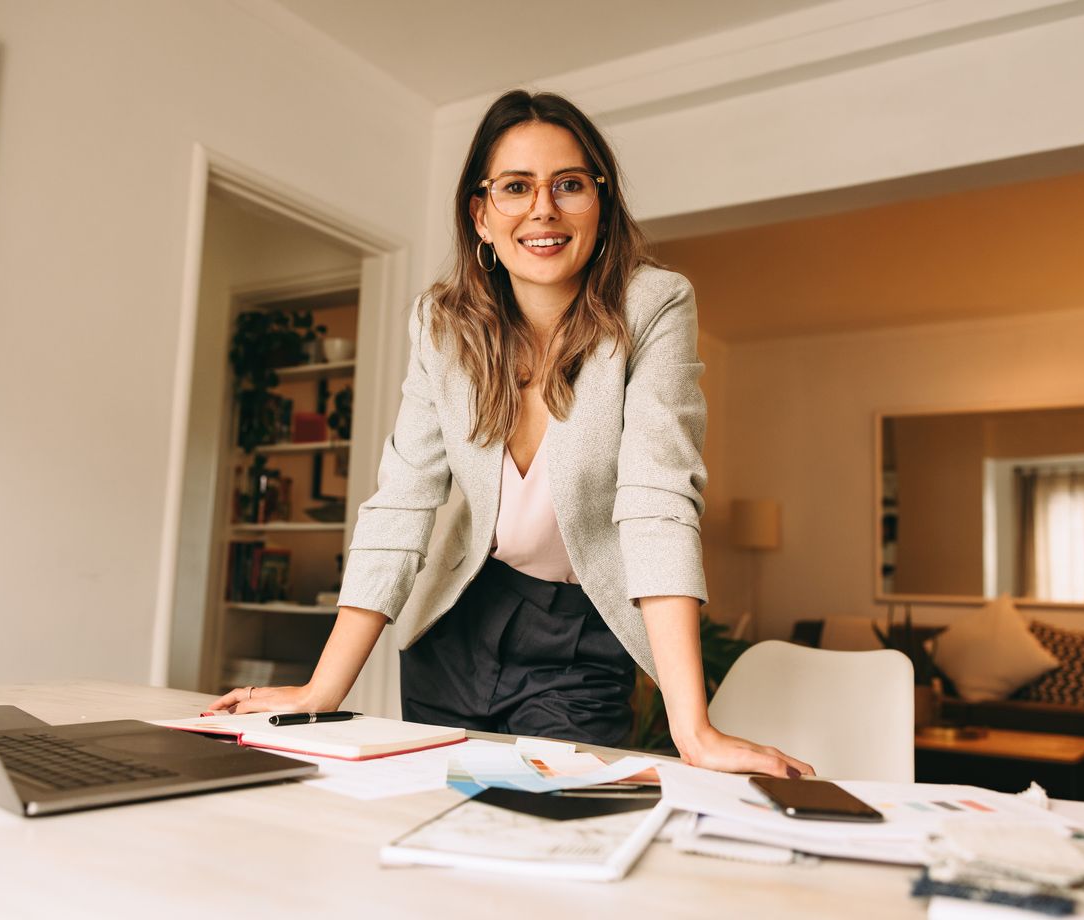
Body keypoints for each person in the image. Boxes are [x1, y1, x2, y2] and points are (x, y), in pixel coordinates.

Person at [210, 90, 812, 778]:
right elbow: (402, 504)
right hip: (457, 623)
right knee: (442, 820)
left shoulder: (653, 305)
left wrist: (693, 729)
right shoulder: (441, 326)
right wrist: (323, 689)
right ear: (481, 213)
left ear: (601, 202)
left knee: (559, 827)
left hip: (578, 636)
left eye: (570, 185)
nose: (543, 209)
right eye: (516, 188)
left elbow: (657, 503)